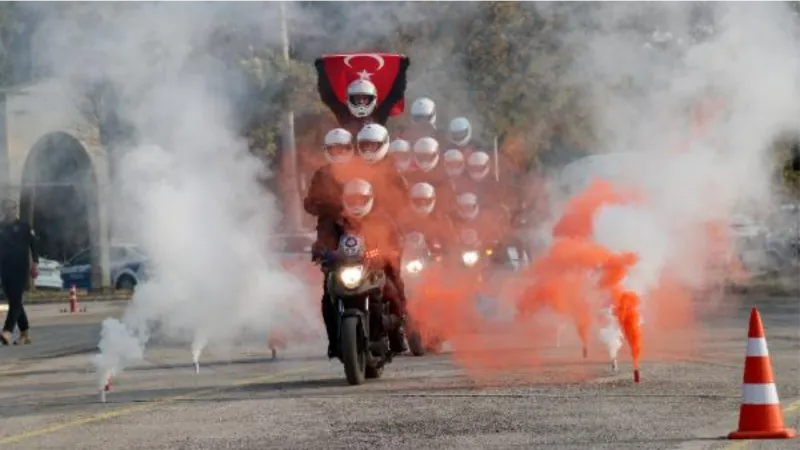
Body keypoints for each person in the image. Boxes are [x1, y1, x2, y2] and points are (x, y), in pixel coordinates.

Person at [332, 178, 409, 354]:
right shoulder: (338, 222)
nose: (357, 204)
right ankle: (334, 338)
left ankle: (398, 329)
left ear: (369, 199)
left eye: (361, 200)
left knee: (393, 288)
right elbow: (324, 241)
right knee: (328, 296)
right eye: (353, 200)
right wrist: (323, 252)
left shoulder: (382, 220)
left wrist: (389, 251)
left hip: (375, 268)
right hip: (346, 269)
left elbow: (396, 241)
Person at [304, 128, 358, 358]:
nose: (338, 152)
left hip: (363, 231)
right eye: (333, 149)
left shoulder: (362, 170)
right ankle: (335, 341)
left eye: (342, 148)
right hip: (330, 235)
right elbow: (309, 203)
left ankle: (393, 330)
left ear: (350, 148)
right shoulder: (322, 175)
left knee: (388, 282)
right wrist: (321, 205)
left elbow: (381, 202)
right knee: (328, 294)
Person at [0, 198, 38, 346]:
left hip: (20, 267)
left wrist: (35, 263)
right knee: (14, 301)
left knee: (16, 300)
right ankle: (25, 333)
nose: (9, 211)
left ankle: (7, 332)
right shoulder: (1, 227)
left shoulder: (24, 226)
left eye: (12, 208)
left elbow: (33, 244)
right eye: (6, 209)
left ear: (16, 210)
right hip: (5, 267)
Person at [399, 182, 456, 255]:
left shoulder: (442, 219)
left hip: (434, 257)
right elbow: (395, 235)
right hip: (409, 256)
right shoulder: (403, 218)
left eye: (426, 201)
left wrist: (445, 247)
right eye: (418, 201)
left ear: (433, 200)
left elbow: (451, 240)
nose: (422, 205)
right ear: (411, 200)